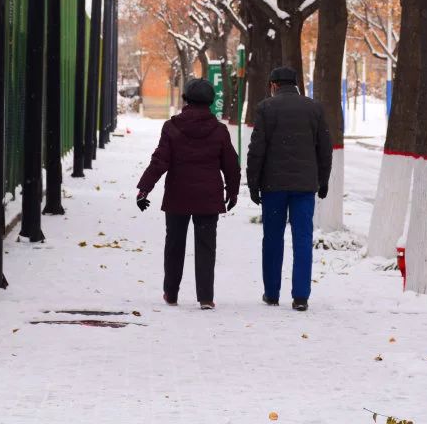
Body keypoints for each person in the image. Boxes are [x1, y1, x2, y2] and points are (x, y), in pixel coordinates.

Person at [135, 78, 241, 310]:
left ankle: (171, 293)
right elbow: (231, 165)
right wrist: (232, 193)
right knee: (206, 247)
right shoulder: (219, 131)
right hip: (208, 197)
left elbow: (159, 161)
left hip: (177, 196)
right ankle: (205, 298)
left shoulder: (171, 128)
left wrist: (144, 188)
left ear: (186, 100)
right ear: (210, 102)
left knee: (174, 245)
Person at [246, 66, 331, 311]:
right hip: (305, 187)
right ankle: (301, 296)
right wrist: (323, 181)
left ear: (273, 85)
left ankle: (272, 293)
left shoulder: (265, 108)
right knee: (303, 239)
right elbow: (324, 149)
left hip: (273, 187)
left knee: (272, 239)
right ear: (296, 84)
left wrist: (253, 183)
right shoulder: (314, 108)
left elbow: (256, 150)